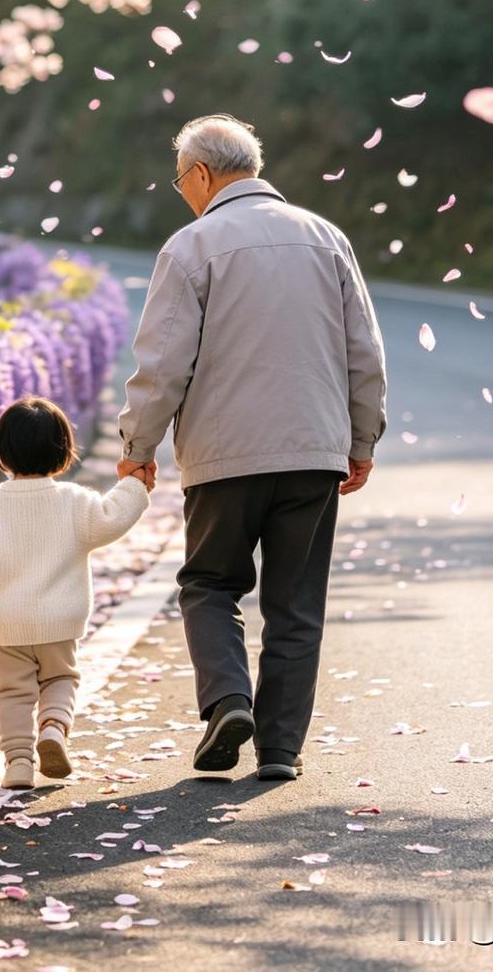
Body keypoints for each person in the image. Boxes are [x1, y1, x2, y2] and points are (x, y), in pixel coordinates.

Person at [118, 113, 387, 782]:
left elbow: (162, 365)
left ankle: (229, 704)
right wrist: (361, 439)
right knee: (295, 604)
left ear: (202, 174)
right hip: (314, 454)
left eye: (180, 179)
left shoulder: (191, 246)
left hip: (223, 456)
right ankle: (279, 751)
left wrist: (138, 445)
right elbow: (365, 355)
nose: (181, 191)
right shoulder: (327, 238)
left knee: (209, 584)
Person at [0, 395, 154, 789]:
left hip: (6, 626)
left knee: (13, 694)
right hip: (59, 622)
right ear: (64, 451)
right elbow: (113, 518)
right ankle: (53, 727)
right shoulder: (75, 502)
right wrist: (134, 485)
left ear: (1, 453)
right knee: (61, 679)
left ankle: (18, 762)